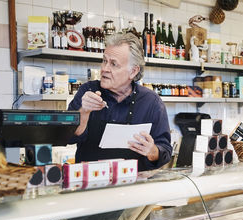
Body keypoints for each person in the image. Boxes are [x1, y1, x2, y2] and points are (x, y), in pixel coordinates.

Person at [68, 33, 172, 171]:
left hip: (132, 186)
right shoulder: (87, 91)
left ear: (133, 71)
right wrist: (84, 112)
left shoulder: (151, 102)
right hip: (90, 183)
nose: (105, 69)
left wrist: (152, 151)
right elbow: (68, 137)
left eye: (113, 64)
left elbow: (165, 151)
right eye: (104, 61)